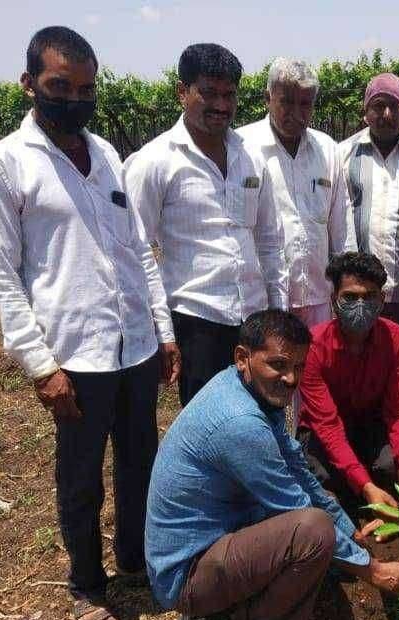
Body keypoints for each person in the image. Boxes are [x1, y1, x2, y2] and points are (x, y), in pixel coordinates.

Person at [0, 27, 179, 620]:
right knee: (81, 475)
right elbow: (2, 275)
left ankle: (135, 563)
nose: (74, 99)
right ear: (29, 83)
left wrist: (162, 330)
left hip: (134, 343)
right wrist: (40, 364)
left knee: (140, 461)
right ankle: (88, 584)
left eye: (85, 89)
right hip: (76, 352)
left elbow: (139, 250)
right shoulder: (3, 165)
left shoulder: (109, 154)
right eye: (60, 86)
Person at [145, 310, 399, 620]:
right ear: (243, 357)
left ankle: (249, 606)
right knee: (312, 530)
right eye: (278, 364)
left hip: (216, 539)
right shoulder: (239, 421)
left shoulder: (247, 390)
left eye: (299, 367)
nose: (290, 378)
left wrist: (351, 533)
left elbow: (298, 469)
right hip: (186, 574)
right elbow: (294, 506)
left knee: (321, 518)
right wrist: (372, 571)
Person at [124, 44, 286, 406]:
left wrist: (279, 313)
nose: (221, 105)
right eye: (209, 93)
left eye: (229, 95)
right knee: (209, 422)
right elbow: (135, 251)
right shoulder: (154, 161)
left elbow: (271, 241)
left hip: (253, 316)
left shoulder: (251, 156)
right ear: (182, 92)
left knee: (261, 414)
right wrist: (162, 332)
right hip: (196, 320)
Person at [298, 253, 399, 511]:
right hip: (326, 429)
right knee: (320, 478)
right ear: (334, 301)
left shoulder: (397, 340)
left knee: (394, 465)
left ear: (381, 300)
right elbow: (327, 425)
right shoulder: (313, 347)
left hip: (372, 423)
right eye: (350, 297)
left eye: (369, 297)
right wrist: (365, 485)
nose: (360, 304)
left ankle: (370, 486)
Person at [238, 58, 356, 328]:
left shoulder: (327, 150)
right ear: (268, 98)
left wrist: (347, 283)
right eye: (286, 102)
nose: (296, 113)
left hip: (318, 296)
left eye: (305, 104)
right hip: (262, 298)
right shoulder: (243, 149)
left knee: (315, 367)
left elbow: (341, 226)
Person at [337, 73, 399, 360]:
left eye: (395, 106)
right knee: (362, 368)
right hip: (360, 293)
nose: (386, 114)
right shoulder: (343, 154)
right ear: (366, 111)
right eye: (378, 106)